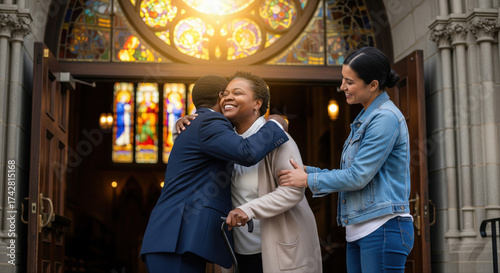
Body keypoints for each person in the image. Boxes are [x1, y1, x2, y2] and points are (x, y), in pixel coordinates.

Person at [278, 46, 414, 272]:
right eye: (343, 79)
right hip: (360, 229)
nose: (342, 87)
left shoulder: (384, 119)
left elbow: (357, 177)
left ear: (373, 85)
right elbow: (353, 173)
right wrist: (306, 171)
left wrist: (307, 180)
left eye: (349, 82)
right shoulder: (366, 116)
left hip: (383, 227)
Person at [140, 75, 289, 273]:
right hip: (176, 240)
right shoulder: (210, 121)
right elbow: (247, 152)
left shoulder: (198, 122)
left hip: (176, 239)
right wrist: (277, 122)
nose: (230, 99)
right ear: (221, 97)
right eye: (228, 94)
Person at [221, 71, 322, 273]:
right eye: (225, 93)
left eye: (237, 92)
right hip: (240, 253)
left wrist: (247, 209)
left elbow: (293, 191)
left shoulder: (278, 138)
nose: (227, 97)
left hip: (278, 250)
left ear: (257, 104)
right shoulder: (226, 141)